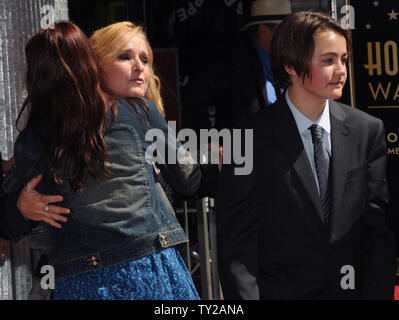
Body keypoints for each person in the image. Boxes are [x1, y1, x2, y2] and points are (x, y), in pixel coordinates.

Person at [2, 21, 201, 300]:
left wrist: (21, 207)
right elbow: (189, 179)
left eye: (145, 59)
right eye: (124, 56)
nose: (139, 67)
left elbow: (11, 218)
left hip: (82, 278)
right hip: (149, 266)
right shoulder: (140, 113)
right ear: (93, 64)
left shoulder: (34, 138)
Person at [216, 11, 396, 300]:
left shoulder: (367, 130)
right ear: (290, 64)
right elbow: (238, 247)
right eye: (328, 60)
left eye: (344, 59)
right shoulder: (247, 137)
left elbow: (377, 235)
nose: (341, 71)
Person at [183, 0, 292, 132]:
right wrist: (206, 139)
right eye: (285, 32)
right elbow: (195, 94)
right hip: (244, 149)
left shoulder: (285, 61)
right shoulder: (235, 62)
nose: (290, 38)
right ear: (263, 31)